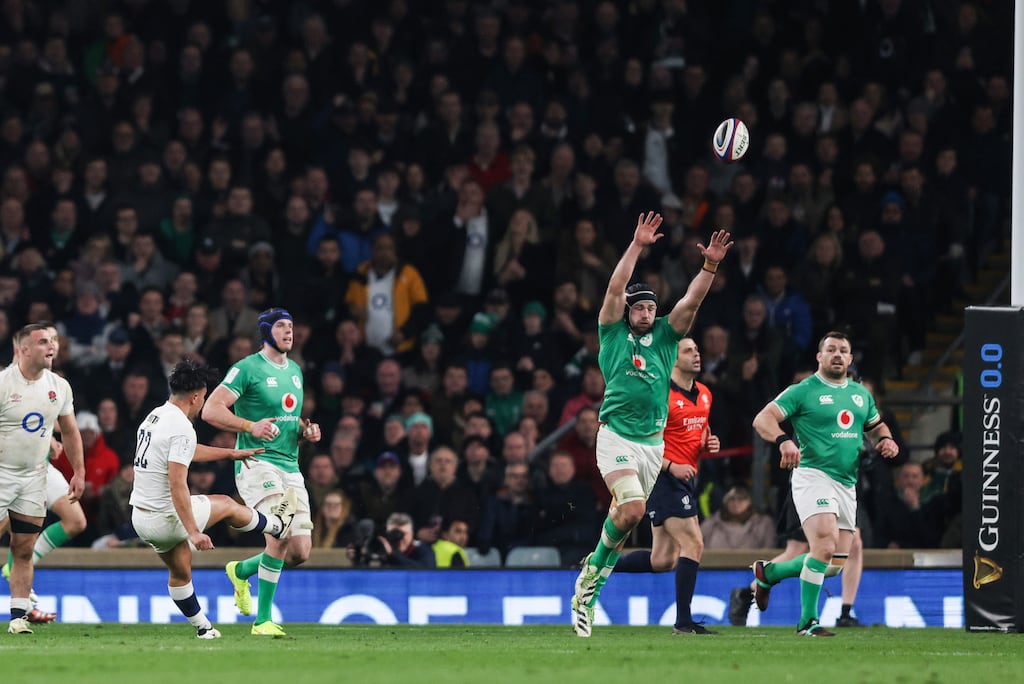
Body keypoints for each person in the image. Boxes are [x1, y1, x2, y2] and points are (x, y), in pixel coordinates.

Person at [571, 212, 732, 637]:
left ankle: (592, 570)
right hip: (615, 436)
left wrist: (709, 265)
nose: (645, 313)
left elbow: (691, 302)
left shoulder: (665, 336)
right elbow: (614, 288)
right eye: (639, 307)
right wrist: (637, 245)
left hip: (651, 445)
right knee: (634, 510)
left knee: (626, 522)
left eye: (650, 307)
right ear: (628, 310)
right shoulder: (612, 333)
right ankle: (591, 581)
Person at [130, 359, 298, 639]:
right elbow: (177, 484)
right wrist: (194, 532)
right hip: (166, 517)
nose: (202, 404)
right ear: (196, 397)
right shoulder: (181, 427)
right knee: (228, 505)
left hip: (141, 519)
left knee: (180, 571)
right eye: (204, 398)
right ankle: (276, 525)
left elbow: (186, 451)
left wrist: (230, 453)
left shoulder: (155, 416)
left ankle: (203, 628)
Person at [749, 331, 898, 636]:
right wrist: (783, 440)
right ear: (819, 356)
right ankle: (808, 622)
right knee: (825, 545)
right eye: (831, 349)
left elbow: (875, 426)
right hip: (813, 475)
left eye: (843, 350)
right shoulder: (803, 390)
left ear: (850, 358)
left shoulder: (860, 394)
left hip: (847, 482)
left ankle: (769, 573)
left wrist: (886, 439)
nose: (837, 355)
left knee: (833, 564)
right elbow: (763, 419)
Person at [201, 307, 323, 637]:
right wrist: (249, 426)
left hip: (290, 465)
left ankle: (241, 571)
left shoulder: (295, 371)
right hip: (257, 463)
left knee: (299, 552)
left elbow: (289, 421)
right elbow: (210, 410)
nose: (289, 331)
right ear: (267, 331)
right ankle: (262, 621)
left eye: (291, 326)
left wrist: (306, 431)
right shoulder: (246, 368)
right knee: (279, 533)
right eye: (281, 326)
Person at [613, 337, 723, 635]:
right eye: (688, 351)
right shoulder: (658, 394)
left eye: (697, 349)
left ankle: (599, 564)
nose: (696, 354)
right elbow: (639, 444)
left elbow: (698, 433)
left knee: (662, 560)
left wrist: (707, 444)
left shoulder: (705, 394)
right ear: (672, 359)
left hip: (685, 479)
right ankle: (684, 623)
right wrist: (672, 465)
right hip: (661, 476)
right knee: (694, 543)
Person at [0, 323, 85, 635]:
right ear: (23, 350)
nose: (51, 346)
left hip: (34, 477)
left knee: (23, 548)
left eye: (52, 341)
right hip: (2, 475)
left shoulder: (59, 386)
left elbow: (71, 430)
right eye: (42, 342)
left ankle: (18, 617)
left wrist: (79, 471)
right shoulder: (3, 384)